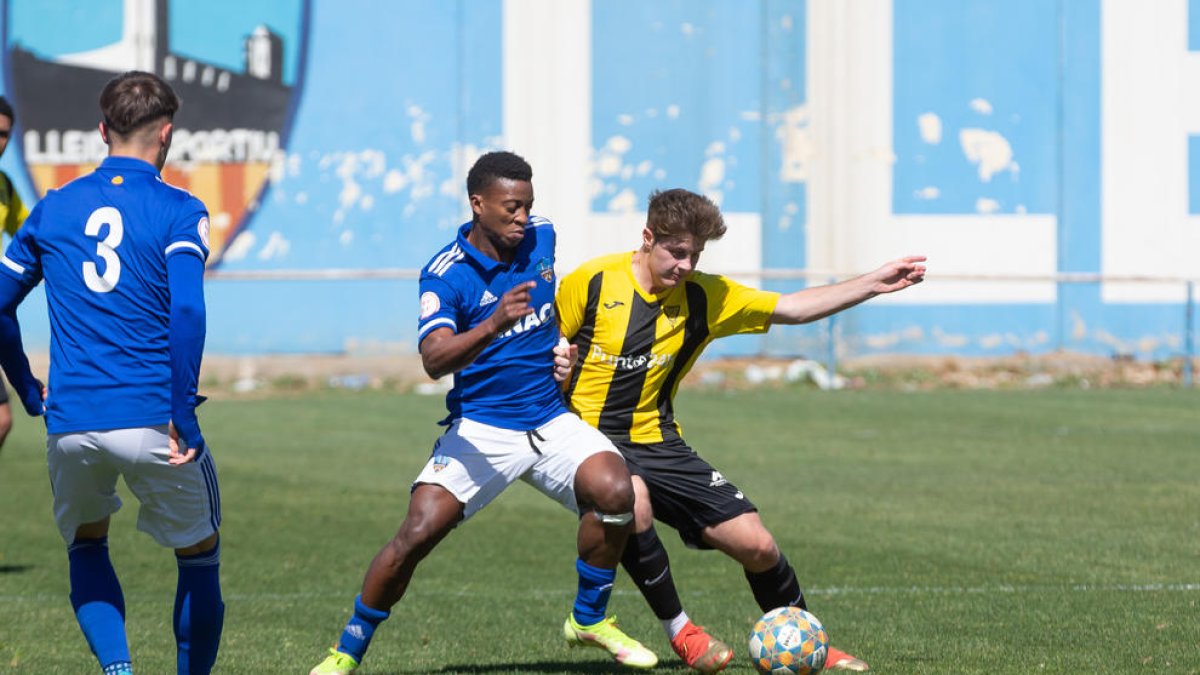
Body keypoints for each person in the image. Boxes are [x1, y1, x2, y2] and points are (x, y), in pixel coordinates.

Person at [309, 151, 656, 675]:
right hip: (483, 430)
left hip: (548, 419)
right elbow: (433, 359)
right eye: (511, 207)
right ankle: (345, 651)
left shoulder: (544, 237)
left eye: (528, 206)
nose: (523, 218)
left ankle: (587, 619)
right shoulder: (446, 274)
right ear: (478, 203)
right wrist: (493, 322)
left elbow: (564, 306)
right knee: (417, 534)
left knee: (616, 491)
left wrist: (568, 345)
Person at [554, 188, 926, 673]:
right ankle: (681, 631)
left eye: (696, 255)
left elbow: (791, 308)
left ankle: (807, 638)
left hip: (659, 439)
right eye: (677, 252)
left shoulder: (706, 296)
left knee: (757, 544)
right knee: (633, 500)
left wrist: (872, 284)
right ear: (647, 238)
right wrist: (555, 365)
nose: (686, 265)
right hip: (589, 441)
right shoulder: (592, 281)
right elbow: (546, 346)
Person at [0, 71, 221, 675]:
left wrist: (27, 389)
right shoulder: (180, 209)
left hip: (70, 423)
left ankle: (118, 671)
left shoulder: (53, 208)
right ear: (167, 134)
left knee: (87, 543)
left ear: (102, 131)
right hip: (153, 418)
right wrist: (182, 411)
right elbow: (186, 310)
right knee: (200, 555)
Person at [0, 95, 32, 452]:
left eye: (4, 134)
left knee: (2, 420)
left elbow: (31, 235)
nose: (0, 141)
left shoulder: (5, 186)